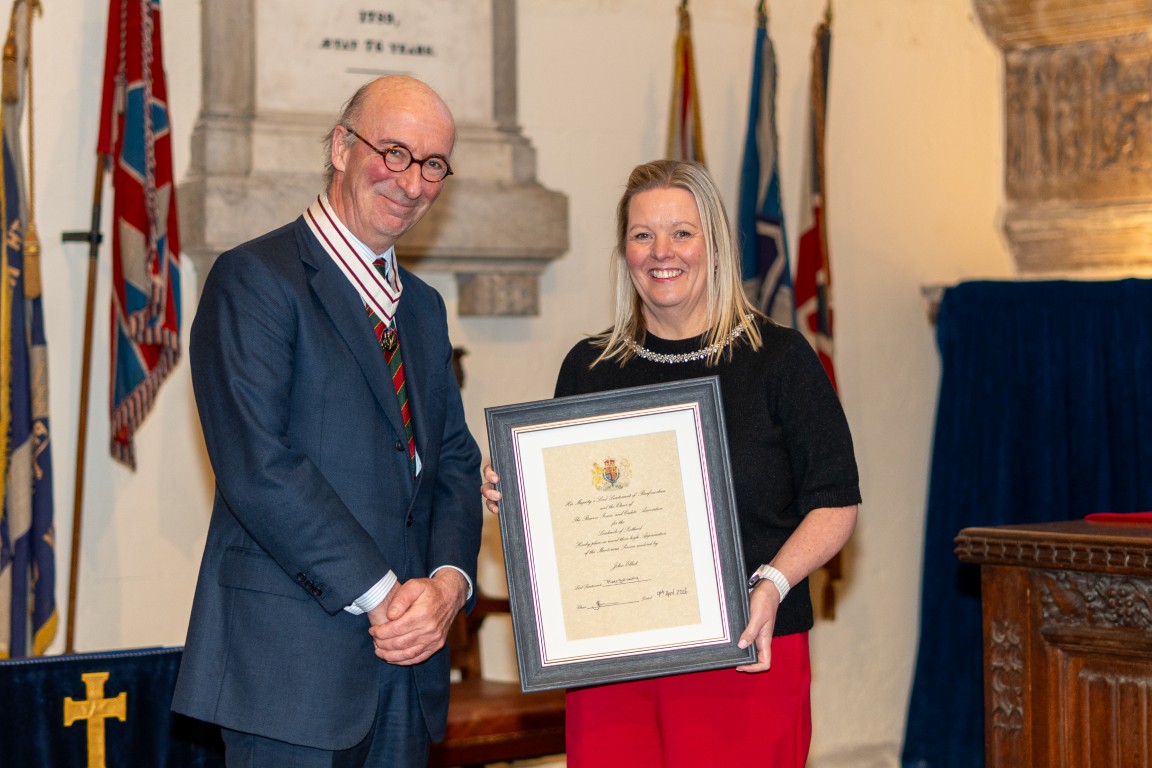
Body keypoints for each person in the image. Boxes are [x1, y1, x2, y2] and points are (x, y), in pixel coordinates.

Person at [481, 159, 860, 767]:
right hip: (613, 662)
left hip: (746, 648)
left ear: (715, 243)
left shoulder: (781, 360)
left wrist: (773, 583)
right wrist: (521, 493)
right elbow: (572, 516)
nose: (662, 252)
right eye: (641, 235)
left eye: (682, 232)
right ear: (624, 249)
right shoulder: (589, 367)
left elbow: (835, 503)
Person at [173, 76, 483, 768]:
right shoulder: (255, 278)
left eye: (433, 164)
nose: (412, 181)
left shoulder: (423, 308)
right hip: (289, 675)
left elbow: (454, 461)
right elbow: (260, 466)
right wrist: (384, 598)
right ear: (342, 147)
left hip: (405, 673)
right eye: (394, 152)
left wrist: (446, 585)